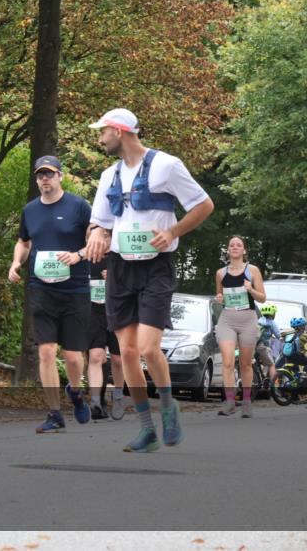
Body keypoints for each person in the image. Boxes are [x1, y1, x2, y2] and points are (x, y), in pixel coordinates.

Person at [83, 108, 214, 452]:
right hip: (120, 268)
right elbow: (100, 222)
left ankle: (168, 409)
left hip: (156, 267)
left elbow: (204, 205)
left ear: (119, 131)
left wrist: (173, 231)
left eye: (103, 131)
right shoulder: (108, 175)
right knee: (127, 352)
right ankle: (147, 430)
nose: (99, 138)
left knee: (147, 348)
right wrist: (96, 233)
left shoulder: (166, 165)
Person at [8, 155, 92, 433]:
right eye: (40, 175)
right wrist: (16, 262)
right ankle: (54, 414)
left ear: (60, 176)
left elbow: (97, 238)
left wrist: (79, 255)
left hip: (75, 289)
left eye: (49, 174)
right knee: (46, 352)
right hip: (42, 288)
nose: (44, 179)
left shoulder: (79, 206)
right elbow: (24, 242)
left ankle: (76, 392)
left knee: (73, 357)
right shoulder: (30, 210)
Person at [213, 236, 266, 418]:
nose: (235, 247)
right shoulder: (220, 273)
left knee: (245, 363)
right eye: (232, 245)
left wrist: (250, 289)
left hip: (248, 320)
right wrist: (219, 299)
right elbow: (220, 296)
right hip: (227, 319)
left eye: (239, 245)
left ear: (244, 250)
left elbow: (262, 298)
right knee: (227, 362)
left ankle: (246, 402)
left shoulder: (252, 270)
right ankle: (229, 402)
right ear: (228, 250)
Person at [86, 254, 126, 420]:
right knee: (95, 356)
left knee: (118, 360)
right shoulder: (83, 258)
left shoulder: (119, 256)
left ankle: (118, 397)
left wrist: (116, 279)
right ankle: (95, 402)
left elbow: (134, 284)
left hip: (117, 312)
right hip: (93, 313)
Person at [256, 302, 281, 385]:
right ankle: (275, 386)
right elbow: (278, 335)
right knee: (271, 364)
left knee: (265, 360)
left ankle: (263, 378)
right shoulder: (271, 323)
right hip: (262, 346)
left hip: (254, 345)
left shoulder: (259, 321)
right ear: (273, 313)